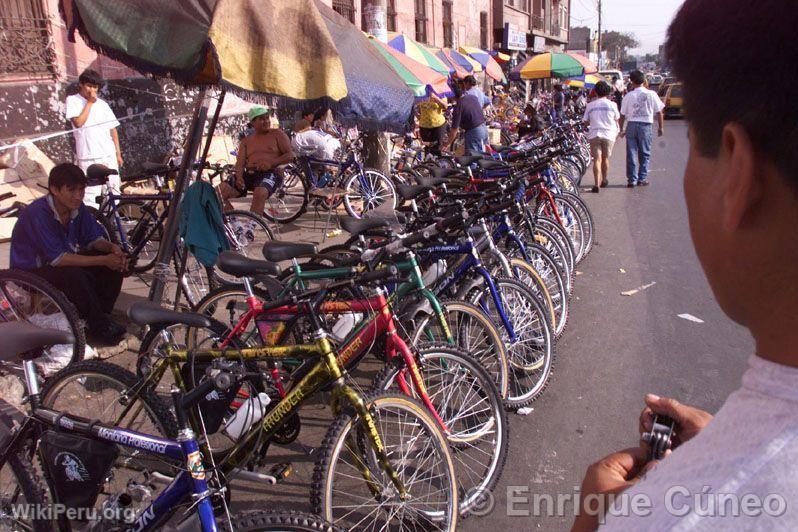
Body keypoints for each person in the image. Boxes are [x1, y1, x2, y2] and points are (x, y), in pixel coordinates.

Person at [573, 0, 798, 529]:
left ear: (737, 171)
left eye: (694, 138)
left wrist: (595, 520)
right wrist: (729, 438)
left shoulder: (671, 514)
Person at [10, 163, 127, 343]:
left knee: (117, 265)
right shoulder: (37, 213)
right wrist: (103, 259)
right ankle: (99, 325)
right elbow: (58, 260)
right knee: (75, 275)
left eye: (81, 190)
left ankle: (99, 318)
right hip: (29, 272)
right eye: (71, 190)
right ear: (54, 190)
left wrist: (112, 249)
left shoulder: (77, 209)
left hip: (59, 264)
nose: (78, 195)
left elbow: (93, 239)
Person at [218, 106, 294, 214]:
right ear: (253, 123)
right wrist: (239, 177)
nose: (266, 121)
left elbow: (290, 155)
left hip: (271, 173)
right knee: (218, 193)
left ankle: (250, 228)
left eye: (267, 118)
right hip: (249, 174)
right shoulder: (246, 141)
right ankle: (235, 225)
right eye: (261, 119)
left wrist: (271, 163)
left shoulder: (277, 134)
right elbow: (240, 163)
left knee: (260, 193)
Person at [65, 69, 123, 208]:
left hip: (108, 154)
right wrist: (90, 103)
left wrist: (118, 153)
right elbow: (78, 122)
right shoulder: (72, 100)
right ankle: (93, 223)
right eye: (89, 86)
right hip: (89, 155)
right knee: (91, 194)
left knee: (114, 191)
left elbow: (112, 129)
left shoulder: (102, 104)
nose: (92, 90)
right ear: (81, 84)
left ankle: (112, 223)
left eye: (95, 87)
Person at [619, 70, 665, 187]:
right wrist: (660, 127)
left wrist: (621, 129)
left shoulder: (629, 96)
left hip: (632, 125)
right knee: (645, 153)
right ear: (644, 80)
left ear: (632, 81)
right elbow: (659, 112)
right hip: (645, 126)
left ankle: (632, 180)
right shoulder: (652, 94)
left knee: (631, 153)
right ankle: (642, 178)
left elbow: (622, 115)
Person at [582, 81, 620, 193]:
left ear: (596, 92)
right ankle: (604, 179)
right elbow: (616, 119)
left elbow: (585, 121)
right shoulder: (613, 105)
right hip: (609, 134)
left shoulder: (590, 105)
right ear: (608, 92)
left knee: (597, 159)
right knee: (605, 158)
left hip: (594, 134)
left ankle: (596, 184)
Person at [446, 83, 487, 154]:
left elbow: (454, 131)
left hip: (474, 132)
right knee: (481, 157)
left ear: (452, 95)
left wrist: (447, 144)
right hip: (484, 129)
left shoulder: (458, 106)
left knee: (473, 159)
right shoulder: (472, 97)